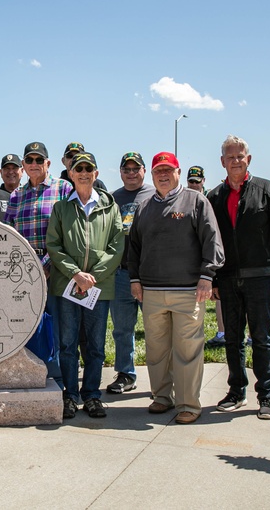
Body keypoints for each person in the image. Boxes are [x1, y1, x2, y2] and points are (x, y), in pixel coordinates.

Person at [129, 152, 224, 424]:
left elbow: (212, 241)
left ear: (178, 172)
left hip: (188, 290)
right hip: (152, 291)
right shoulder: (144, 207)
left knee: (187, 350)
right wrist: (135, 279)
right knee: (157, 349)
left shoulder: (196, 201)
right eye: (158, 170)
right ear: (152, 174)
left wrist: (207, 276)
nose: (163, 175)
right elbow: (134, 247)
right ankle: (161, 397)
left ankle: (188, 404)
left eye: (168, 170)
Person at [207, 135, 270, 420]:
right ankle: (236, 391)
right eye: (230, 157)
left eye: (240, 156)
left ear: (248, 159)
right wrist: (214, 279)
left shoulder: (267, 190)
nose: (235, 161)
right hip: (228, 278)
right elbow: (211, 240)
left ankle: (266, 395)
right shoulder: (214, 196)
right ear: (222, 162)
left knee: (261, 338)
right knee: (232, 338)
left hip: (261, 277)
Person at [47, 152, 123, 419]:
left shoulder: (110, 207)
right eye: (78, 168)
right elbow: (54, 246)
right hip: (67, 287)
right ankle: (70, 395)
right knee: (67, 344)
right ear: (70, 173)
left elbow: (116, 247)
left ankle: (91, 395)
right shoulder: (61, 208)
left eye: (88, 168)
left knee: (95, 345)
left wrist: (92, 277)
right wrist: (76, 274)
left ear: (96, 174)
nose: (83, 173)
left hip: (98, 290)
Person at [4, 141, 74, 389]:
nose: (34, 164)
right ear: (23, 165)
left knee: (57, 326)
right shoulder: (16, 196)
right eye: (29, 160)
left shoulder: (64, 189)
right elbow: (9, 236)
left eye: (39, 160)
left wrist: (47, 263)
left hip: (56, 268)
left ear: (48, 163)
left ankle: (59, 380)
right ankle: (31, 374)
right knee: (25, 323)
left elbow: (70, 232)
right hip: (24, 271)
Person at [106, 151, 153, 394]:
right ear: (121, 172)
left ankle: (161, 377)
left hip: (151, 274)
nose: (132, 173)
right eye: (127, 169)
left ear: (144, 171)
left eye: (136, 169)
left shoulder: (156, 194)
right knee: (122, 329)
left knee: (157, 329)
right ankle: (126, 373)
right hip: (121, 274)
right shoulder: (113, 198)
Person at [193, 166, 228, 347]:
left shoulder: (211, 198)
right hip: (194, 259)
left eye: (197, 181)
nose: (194, 184)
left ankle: (228, 333)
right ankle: (221, 331)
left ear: (203, 181)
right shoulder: (184, 199)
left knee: (219, 293)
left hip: (212, 256)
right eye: (191, 181)